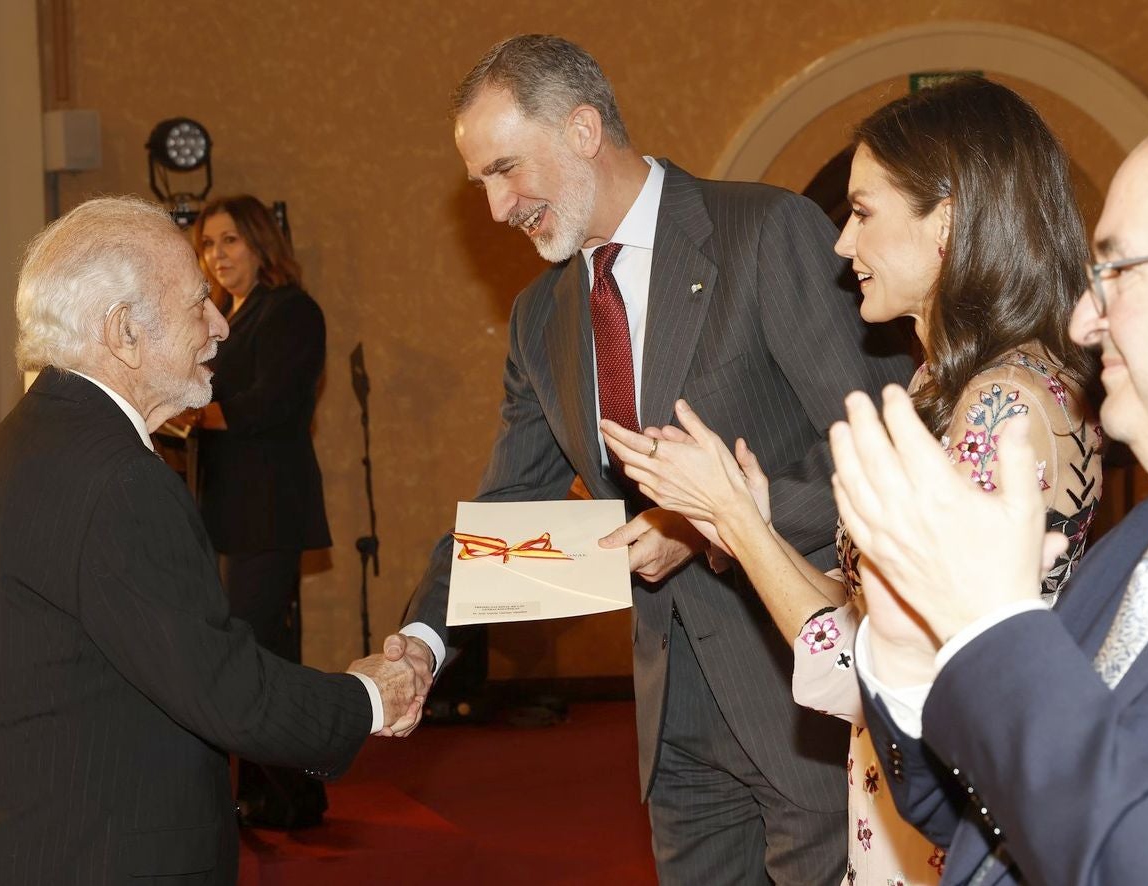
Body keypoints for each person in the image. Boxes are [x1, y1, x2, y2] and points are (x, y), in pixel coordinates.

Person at [384, 34, 911, 883]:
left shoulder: (762, 231)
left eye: (505, 169)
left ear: (584, 129)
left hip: (802, 687)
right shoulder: (539, 318)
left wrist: (709, 520)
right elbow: (512, 511)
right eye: (481, 180)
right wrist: (420, 643)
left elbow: (885, 448)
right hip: (672, 722)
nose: (494, 206)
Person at [602, 78, 1103, 885]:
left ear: (945, 218)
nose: (840, 245)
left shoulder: (1003, 407)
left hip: (960, 826)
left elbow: (873, 666)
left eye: (863, 212)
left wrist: (732, 513)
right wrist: (738, 521)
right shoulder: (940, 385)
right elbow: (864, 614)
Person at [0, 196, 420, 884]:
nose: (221, 325)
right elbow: (226, 691)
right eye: (199, 303)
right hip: (100, 859)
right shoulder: (117, 482)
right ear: (124, 334)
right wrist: (371, 697)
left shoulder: (20, 444)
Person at [826, 109, 1148, 884]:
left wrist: (987, 629)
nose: (1083, 319)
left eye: (1118, 272)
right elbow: (977, 811)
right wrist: (905, 656)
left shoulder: (1009, 398)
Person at [184, 195, 333, 826]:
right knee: (261, 651)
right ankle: (276, 795)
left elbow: (271, 403)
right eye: (209, 245)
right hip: (232, 509)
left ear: (261, 243)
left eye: (230, 241)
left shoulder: (292, 310)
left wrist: (188, 413)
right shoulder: (225, 315)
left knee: (252, 652)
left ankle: (296, 794)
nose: (218, 256)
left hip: (271, 507)